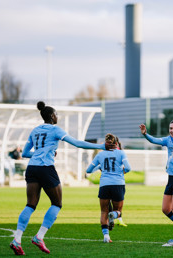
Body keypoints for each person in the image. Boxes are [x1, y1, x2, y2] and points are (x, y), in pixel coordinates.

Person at [9, 101, 106, 255]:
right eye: (56, 115)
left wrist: (40, 153)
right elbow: (77, 143)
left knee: (30, 205)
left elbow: (25, 153)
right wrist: (101, 147)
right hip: (46, 169)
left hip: (32, 168)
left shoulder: (35, 130)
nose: (57, 117)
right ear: (52, 116)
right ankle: (39, 236)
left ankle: (17, 240)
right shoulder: (55, 130)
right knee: (57, 203)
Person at [86, 133, 131, 243]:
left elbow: (88, 170)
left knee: (103, 211)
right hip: (118, 184)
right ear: (116, 143)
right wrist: (121, 172)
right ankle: (114, 215)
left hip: (104, 185)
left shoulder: (100, 155)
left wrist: (100, 166)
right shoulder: (121, 153)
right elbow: (128, 168)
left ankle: (106, 237)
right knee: (118, 211)